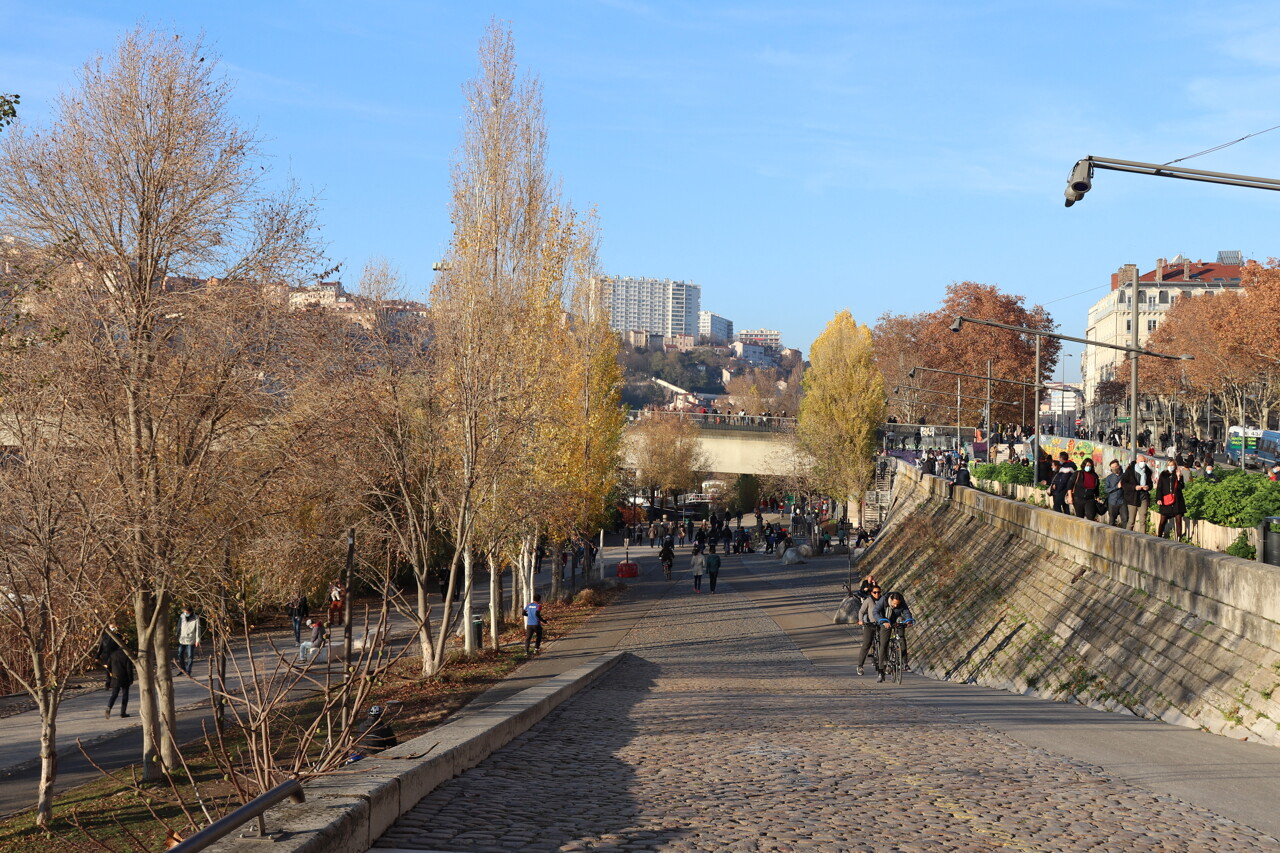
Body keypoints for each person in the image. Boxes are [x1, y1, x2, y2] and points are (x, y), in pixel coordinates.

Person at [877, 591, 915, 680]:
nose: (895, 606)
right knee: (884, 643)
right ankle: (881, 670)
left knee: (902, 639)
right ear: (891, 600)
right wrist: (882, 621)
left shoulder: (901, 601)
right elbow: (876, 611)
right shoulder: (883, 600)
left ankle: (904, 662)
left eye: (897, 604)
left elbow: (906, 611)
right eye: (894, 604)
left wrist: (908, 620)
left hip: (897, 620)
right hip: (885, 621)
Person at [855, 585, 884, 676]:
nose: (877, 594)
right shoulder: (868, 600)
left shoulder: (883, 600)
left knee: (884, 643)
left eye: (878, 592)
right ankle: (860, 666)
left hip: (881, 624)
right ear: (871, 593)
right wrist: (861, 621)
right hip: (870, 624)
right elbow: (861, 611)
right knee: (866, 644)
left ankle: (886, 664)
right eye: (875, 592)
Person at [1156, 458, 1186, 539]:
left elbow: (1181, 486)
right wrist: (1158, 499)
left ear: (1175, 466)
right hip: (1166, 499)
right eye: (1169, 465)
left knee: (1178, 519)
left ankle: (1179, 537)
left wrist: (1179, 477)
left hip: (1177, 500)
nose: (1171, 467)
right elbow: (1159, 488)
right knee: (1163, 520)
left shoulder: (1178, 474)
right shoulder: (1163, 474)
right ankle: (1159, 535)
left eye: (1172, 465)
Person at [1123, 457, 1154, 534]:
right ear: (1137, 461)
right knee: (1131, 520)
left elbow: (1150, 484)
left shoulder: (1148, 471)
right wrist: (1134, 487)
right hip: (1132, 497)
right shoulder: (1130, 470)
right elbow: (1124, 483)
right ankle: (1127, 537)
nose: (1142, 463)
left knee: (1143, 520)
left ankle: (1143, 538)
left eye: (1144, 461)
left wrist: (1148, 487)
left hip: (1143, 497)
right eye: (1141, 461)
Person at [105, 646, 135, 719]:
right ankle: (123, 712)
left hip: (115, 677)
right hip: (124, 678)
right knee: (125, 695)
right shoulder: (126, 656)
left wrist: (108, 680)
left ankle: (109, 707)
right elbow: (129, 669)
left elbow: (108, 668)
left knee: (114, 694)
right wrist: (131, 679)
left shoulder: (112, 655)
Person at [176, 605, 201, 676]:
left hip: (191, 639)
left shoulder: (196, 617)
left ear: (191, 612)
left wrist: (197, 640)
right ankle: (182, 669)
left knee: (190, 656)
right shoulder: (182, 616)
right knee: (180, 654)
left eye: (187, 612)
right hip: (182, 638)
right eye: (185, 612)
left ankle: (188, 671)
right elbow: (179, 625)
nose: (185, 613)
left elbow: (198, 629)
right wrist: (177, 634)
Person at [1103, 459, 1128, 528]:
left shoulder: (1124, 476)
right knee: (1112, 521)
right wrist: (1117, 487)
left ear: (1119, 466)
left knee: (1125, 519)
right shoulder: (1109, 478)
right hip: (1112, 502)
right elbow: (1106, 490)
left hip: (1122, 502)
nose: (1114, 468)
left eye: (1115, 466)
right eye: (1112, 467)